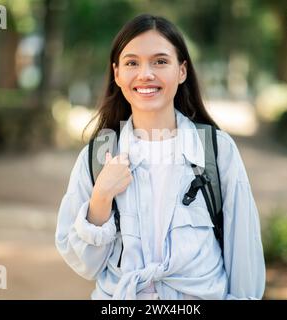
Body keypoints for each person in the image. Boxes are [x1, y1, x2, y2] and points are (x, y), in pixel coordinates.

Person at [55, 14, 265, 300]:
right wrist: (101, 198)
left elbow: (244, 250)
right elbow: (85, 264)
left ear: (182, 71)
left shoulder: (217, 151)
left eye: (160, 61)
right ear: (117, 74)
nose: (145, 74)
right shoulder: (98, 156)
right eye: (132, 63)